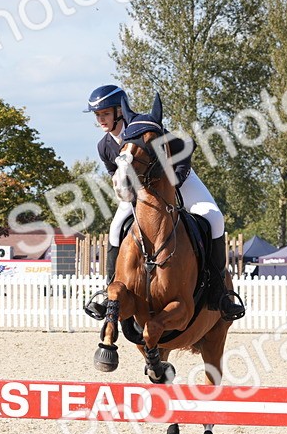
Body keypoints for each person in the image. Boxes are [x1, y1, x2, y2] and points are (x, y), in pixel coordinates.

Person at [83, 84, 244, 321]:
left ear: (119, 111)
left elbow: (185, 147)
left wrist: (175, 180)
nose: (101, 120)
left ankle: (220, 292)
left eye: (105, 113)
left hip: (180, 180)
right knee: (115, 228)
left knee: (214, 218)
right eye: (98, 115)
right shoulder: (104, 146)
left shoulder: (144, 127)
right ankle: (108, 292)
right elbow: (114, 173)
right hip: (141, 192)